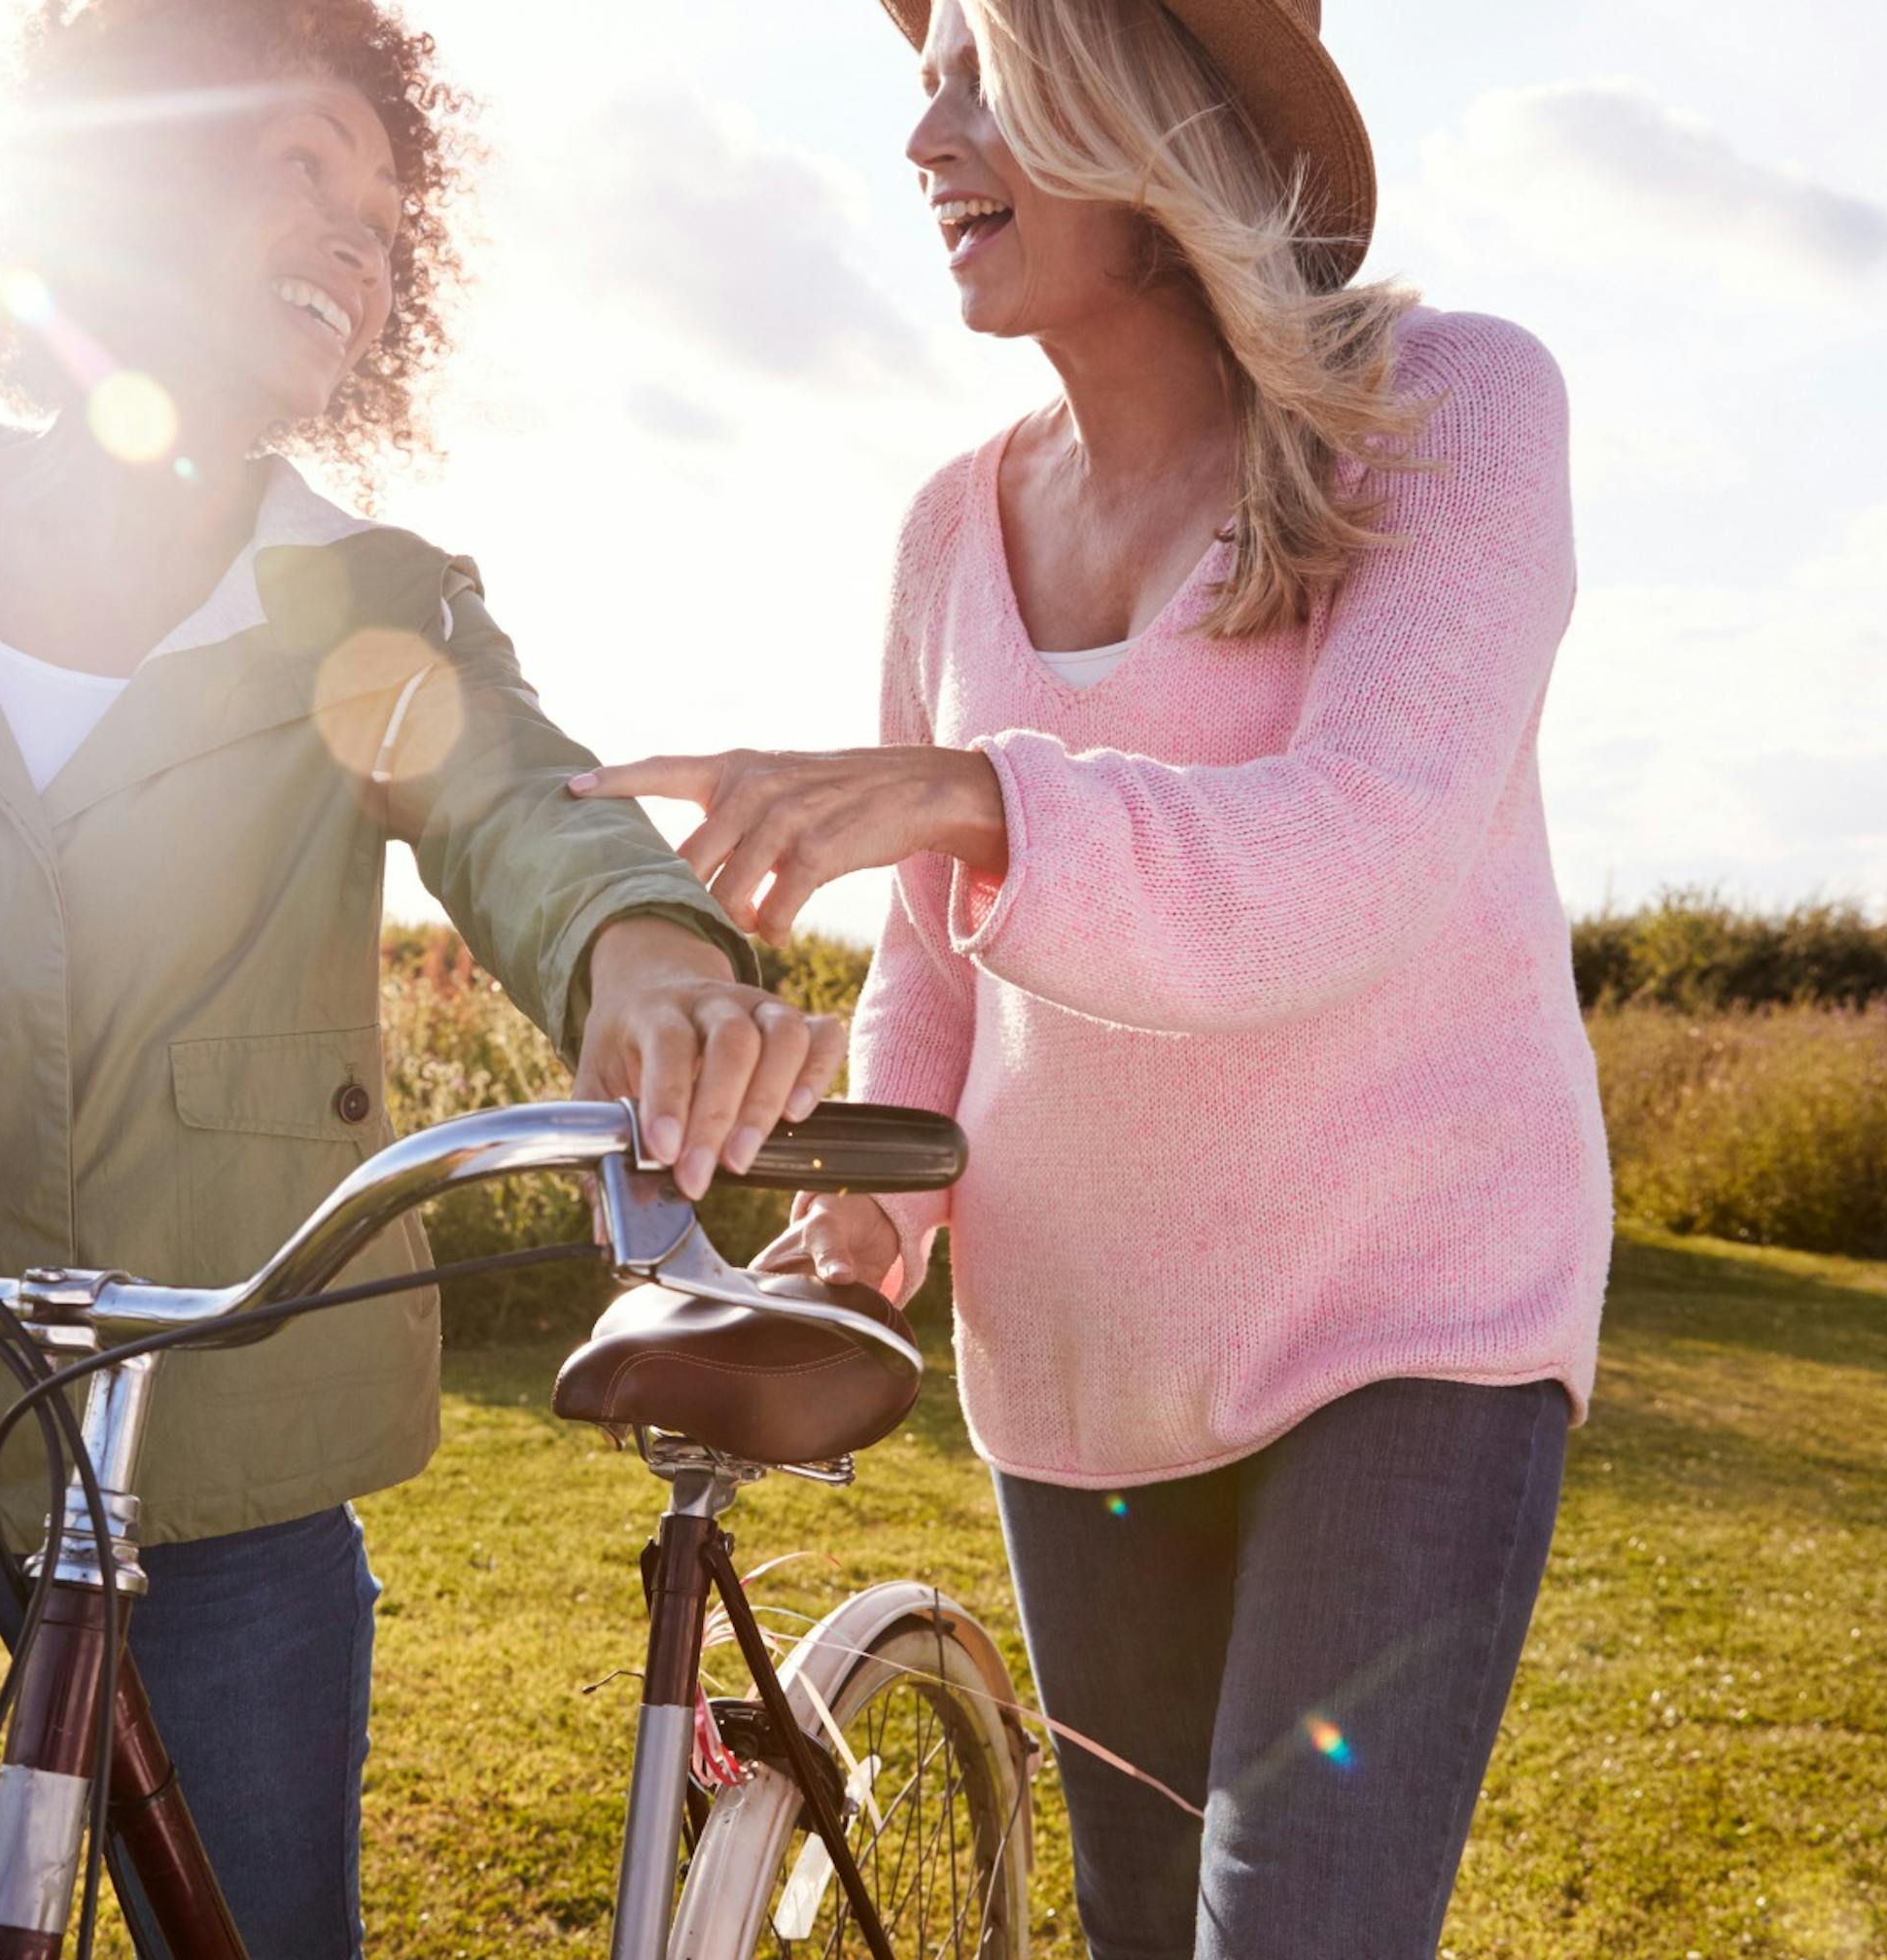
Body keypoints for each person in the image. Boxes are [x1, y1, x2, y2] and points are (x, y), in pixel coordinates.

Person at [0, 4, 844, 1953]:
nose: (362, 242)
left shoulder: (364, 604)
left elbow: (534, 818)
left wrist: (649, 969)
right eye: (301, 163)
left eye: (385, 211)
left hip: (222, 1478)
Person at [568, 0, 1607, 1952]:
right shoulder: (951, 527)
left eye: (982, 73)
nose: (922, 136)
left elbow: (1359, 851)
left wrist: (974, 792)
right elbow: (939, 977)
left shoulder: (1449, 407)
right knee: (1138, 1927)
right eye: (923, 77)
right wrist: (873, 1232)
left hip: (1409, 1326)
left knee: (1292, 1927)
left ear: (1149, 103)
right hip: (1076, 1366)